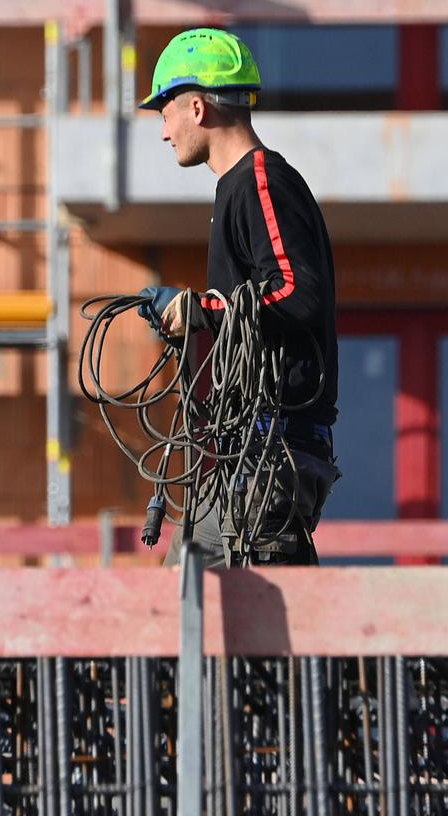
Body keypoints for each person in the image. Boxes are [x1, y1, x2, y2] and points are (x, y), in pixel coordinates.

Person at [135, 28, 340, 567]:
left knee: (260, 620)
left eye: (165, 113)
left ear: (197, 108)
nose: (163, 131)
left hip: (277, 453)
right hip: (248, 453)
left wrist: (201, 310)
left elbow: (300, 293)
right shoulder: (238, 187)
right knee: (188, 579)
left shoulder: (263, 182)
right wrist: (197, 312)